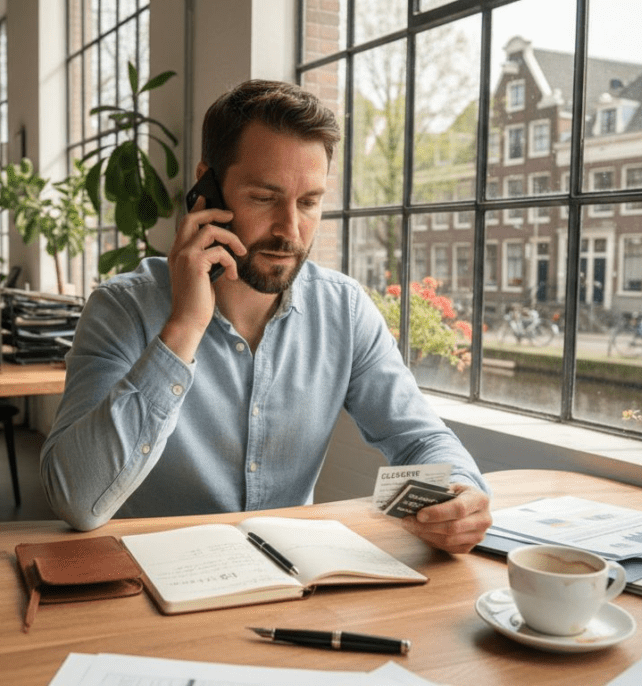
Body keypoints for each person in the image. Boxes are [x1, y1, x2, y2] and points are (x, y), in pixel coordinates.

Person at [40, 79, 491, 553]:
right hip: (151, 591)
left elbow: (421, 439)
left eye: (309, 202)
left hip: (288, 591)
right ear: (207, 188)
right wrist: (184, 329)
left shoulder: (344, 310)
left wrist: (462, 493)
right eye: (264, 198)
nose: (290, 231)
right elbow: (75, 499)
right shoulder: (122, 308)